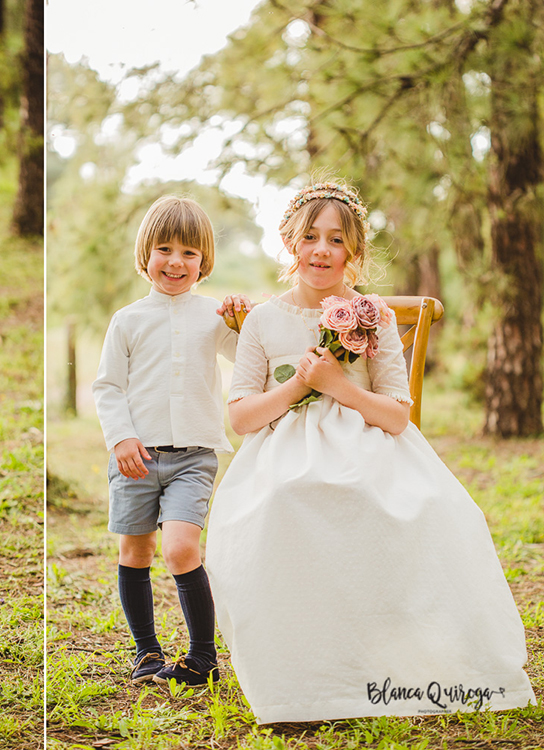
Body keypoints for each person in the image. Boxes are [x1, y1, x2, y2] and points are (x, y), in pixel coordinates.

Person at [205, 180, 536, 723]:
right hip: (283, 453)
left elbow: (396, 414)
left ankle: (396, 659)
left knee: (431, 507)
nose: (321, 250)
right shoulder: (264, 320)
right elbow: (241, 416)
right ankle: (303, 675)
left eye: (336, 240)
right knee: (285, 498)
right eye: (310, 237)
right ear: (290, 242)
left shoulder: (373, 315)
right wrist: (299, 387)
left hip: (369, 443)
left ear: (353, 250)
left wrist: (338, 386)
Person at [92, 196, 249, 687]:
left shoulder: (214, 316)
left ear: (204, 261)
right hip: (135, 457)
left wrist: (243, 323)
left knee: (181, 549)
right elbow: (108, 386)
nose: (176, 262)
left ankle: (203, 656)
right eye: (165, 249)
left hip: (194, 457)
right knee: (134, 551)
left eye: (189, 252)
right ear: (146, 254)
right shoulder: (128, 319)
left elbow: (249, 362)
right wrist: (121, 439)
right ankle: (146, 652)